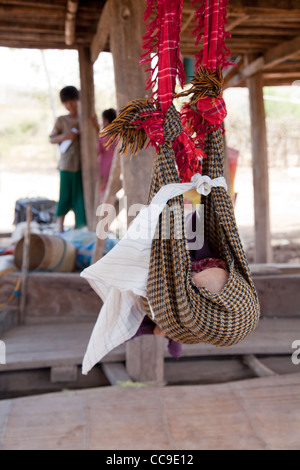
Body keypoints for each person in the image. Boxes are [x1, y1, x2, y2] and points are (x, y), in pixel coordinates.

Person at [49, 86, 86, 232]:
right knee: (64, 197)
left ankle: (79, 227)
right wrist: (65, 136)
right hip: (66, 166)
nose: (69, 105)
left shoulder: (84, 118)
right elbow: (52, 139)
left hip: (81, 166)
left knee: (79, 198)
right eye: (66, 103)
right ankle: (60, 228)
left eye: (72, 101)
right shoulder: (61, 120)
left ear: (77, 100)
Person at [91, 108, 117, 203]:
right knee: (110, 191)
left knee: (103, 194)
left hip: (103, 170)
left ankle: (104, 212)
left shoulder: (103, 136)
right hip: (114, 170)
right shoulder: (119, 136)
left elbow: (97, 151)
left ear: (106, 121)